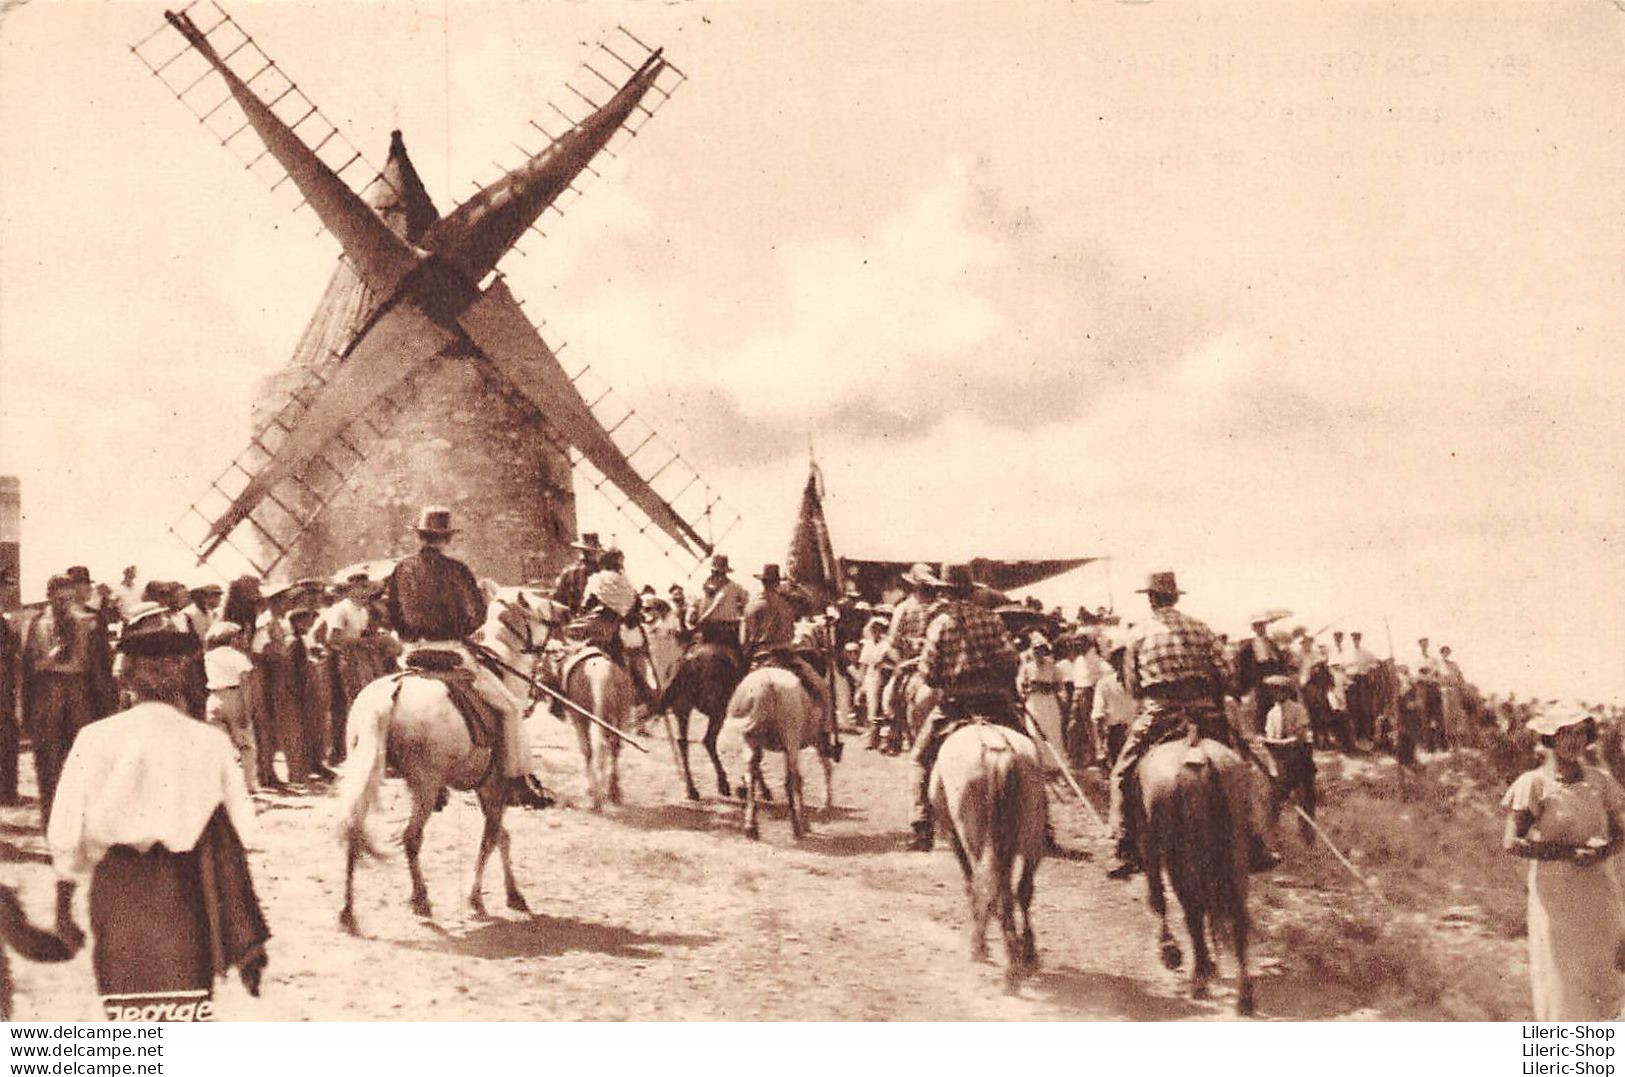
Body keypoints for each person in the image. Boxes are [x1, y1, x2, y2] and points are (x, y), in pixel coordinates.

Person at [47, 620, 268, 1022]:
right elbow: (240, 833)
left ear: (124, 679)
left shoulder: (96, 738)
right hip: (183, 894)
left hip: (119, 891)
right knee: (184, 1008)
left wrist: (62, 909)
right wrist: (245, 935)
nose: (165, 669)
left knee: (130, 1012)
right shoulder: (209, 742)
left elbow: (67, 829)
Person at [1105, 571, 1277, 879]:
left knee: (1121, 772)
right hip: (1205, 711)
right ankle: (1253, 840)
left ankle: (1123, 846)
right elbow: (1227, 675)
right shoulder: (1201, 628)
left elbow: (1133, 686)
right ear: (1174, 597)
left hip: (1160, 712)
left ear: (1151, 598)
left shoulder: (1138, 633)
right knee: (1241, 764)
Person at [385, 506, 539, 806]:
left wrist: (410, 636)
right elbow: (477, 618)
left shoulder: (401, 569)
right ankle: (515, 779)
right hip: (451, 650)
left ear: (420, 535)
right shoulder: (457, 570)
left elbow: (394, 615)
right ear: (446, 538)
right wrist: (467, 630)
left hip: (412, 654)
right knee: (510, 708)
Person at [1502, 708, 1625, 1020]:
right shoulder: (1534, 784)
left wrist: (1605, 851)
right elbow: (1511, 842)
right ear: (1550, 739)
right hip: (1556, 898)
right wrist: (1566, 853)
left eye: (1579, 732)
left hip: (1599, 892)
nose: (1574, 740)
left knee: (1608, 973)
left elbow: (1623, 832)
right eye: (1565, 732)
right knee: (1564, 981)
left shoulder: (1601, 781)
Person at [906, 564, 1020, 852]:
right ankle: (1044, 828)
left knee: (919, 758)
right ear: (971, 590)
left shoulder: (939, 623)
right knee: (1027, 747)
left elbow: (929, 673)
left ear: (945, 591)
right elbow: (1011, 659)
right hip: (995, 701)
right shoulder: (992, 619)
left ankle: (922, 827)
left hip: (955, 704)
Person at [16, 575, 116, 825]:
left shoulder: (89, 621)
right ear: (49, 597)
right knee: (48, 760)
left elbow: (100, 666)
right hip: (47, 692)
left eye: (69, 599)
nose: (65, 605)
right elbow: (28, 668)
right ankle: (52, 821)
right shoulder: (38, 622)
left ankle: (82, 821)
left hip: (80, 693)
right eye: (59, 599)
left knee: (82, 756)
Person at [738, 565, 827, 715]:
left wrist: (747, 656)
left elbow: (744, 641)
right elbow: (791, 633)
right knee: (822, 689)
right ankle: (825, 732)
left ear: (762, 582)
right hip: (786, 656)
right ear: (777, 583)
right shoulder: (787, 605)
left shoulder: (751, 606)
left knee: (739, 695)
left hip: (761, 657)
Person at [203, 622, 258, 793]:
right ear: (233, 638)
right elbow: (246, 684)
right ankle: (248, 784)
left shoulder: (209, 655)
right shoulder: (238, 657)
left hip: (213, 697)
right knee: (245, 744)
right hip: (234, 697)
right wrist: (248, 710)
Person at [1262, 674, 1316, 842]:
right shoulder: (1272, 714)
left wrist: (1277, 743)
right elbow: (1270, 741)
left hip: (1300, 761)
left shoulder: (1298, 710)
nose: (1276, 694)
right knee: (1272, 802)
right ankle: (1273, 839)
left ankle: (1307, 837)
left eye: (1279, 690)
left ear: (1286, 691)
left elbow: (1299, 738)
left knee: (1305, 800)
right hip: (1282, 764)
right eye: (1273, 691)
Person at [1235, 615, 1289, 737]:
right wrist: (1243, 688)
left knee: (1277, 705)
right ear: (1254, 629)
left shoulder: (1272, 643)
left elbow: (1280, 661)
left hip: (1274, 678)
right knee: (1261, 707)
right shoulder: (1249, 646)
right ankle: (1263, 733)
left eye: (1262, 626)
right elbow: (1242, 667)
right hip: (1259, 680)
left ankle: (1278, 731)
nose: (1261, 629)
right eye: (1258, 626)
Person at [1090, 637, 1136, 769]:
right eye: (1118, 659)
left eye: (1125, 659)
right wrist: (1099, 747)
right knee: (1119, 773)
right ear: (1112, 663)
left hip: (1139, 731)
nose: (1122, 663)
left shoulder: (1140, 682)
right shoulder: (1104, 684)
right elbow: (1097, 717)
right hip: (1118, 734)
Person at [1018, 632, 1065, 759]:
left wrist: (1049, 688)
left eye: (1041, 650)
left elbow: (1059, 685)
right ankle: (1040, 760)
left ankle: (1054, 761)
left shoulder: (1052, 666)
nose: (1039, 653)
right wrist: (1031, 689)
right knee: (1035, 731)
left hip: (1049, 701)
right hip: (1034, 702)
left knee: (1053, 731)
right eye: (1036, 650)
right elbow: (1022, 686)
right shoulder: (1027, 668)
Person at [690, 555, 749, 652]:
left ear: (724, 572)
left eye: (717, 572)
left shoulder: (735, 587)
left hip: (728, 630)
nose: (714, 574)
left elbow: (746, 604)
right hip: (710, 630)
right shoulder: (707, 588)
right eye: (713, 572)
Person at [551, 533, 603, 615]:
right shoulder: (570, 572)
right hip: (575, 618)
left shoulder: (602, 574)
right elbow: (558, 598)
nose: (586, 555)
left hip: (586, 619)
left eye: (589, 552)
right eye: (586, 552)